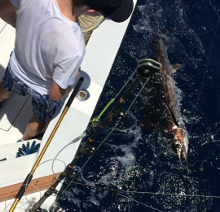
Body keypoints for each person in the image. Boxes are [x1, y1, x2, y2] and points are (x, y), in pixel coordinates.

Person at [0, 0, 133, 142]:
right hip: (43, 89)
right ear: (91, 11)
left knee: (5, 89)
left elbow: (2, 10)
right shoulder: (75, 47)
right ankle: (26, 139)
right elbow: (56, 94)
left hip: (16, 67)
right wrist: (73, 78)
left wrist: (19, 25)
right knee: (40, 119)